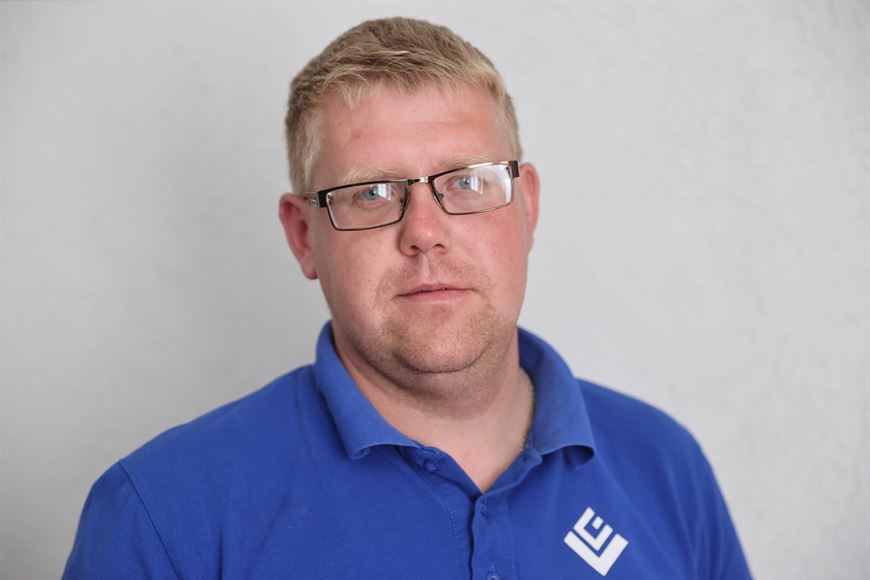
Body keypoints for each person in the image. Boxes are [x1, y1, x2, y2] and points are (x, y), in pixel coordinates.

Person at [63, 17, 751, 579]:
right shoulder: (162, 515)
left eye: (467, 182)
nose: (424, 232)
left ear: (528, 207)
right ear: (303, 237)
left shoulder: (665, 465)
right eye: (370, 193)